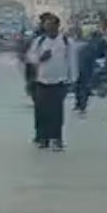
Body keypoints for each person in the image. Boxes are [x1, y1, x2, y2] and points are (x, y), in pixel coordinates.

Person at [26, 13, 78, 150]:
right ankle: (43, 138)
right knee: (42, 111)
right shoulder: (39, 41)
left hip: (59, 82)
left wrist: (72, 79)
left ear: (57, 26)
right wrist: (40, 58)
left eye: (50, 25)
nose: (47, 28)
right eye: (46, 25)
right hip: (41, 81)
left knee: (56, 112)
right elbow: (30, 57)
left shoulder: (66, 42)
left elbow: (72, 61)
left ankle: (56, 139)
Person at [76, 28, 107, 117]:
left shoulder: (89, 45)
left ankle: (80, 105)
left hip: (85, 67)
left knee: (81, 87)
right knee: (83, 87)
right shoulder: (91, 46)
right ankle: (81, 105)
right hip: (86, 68)